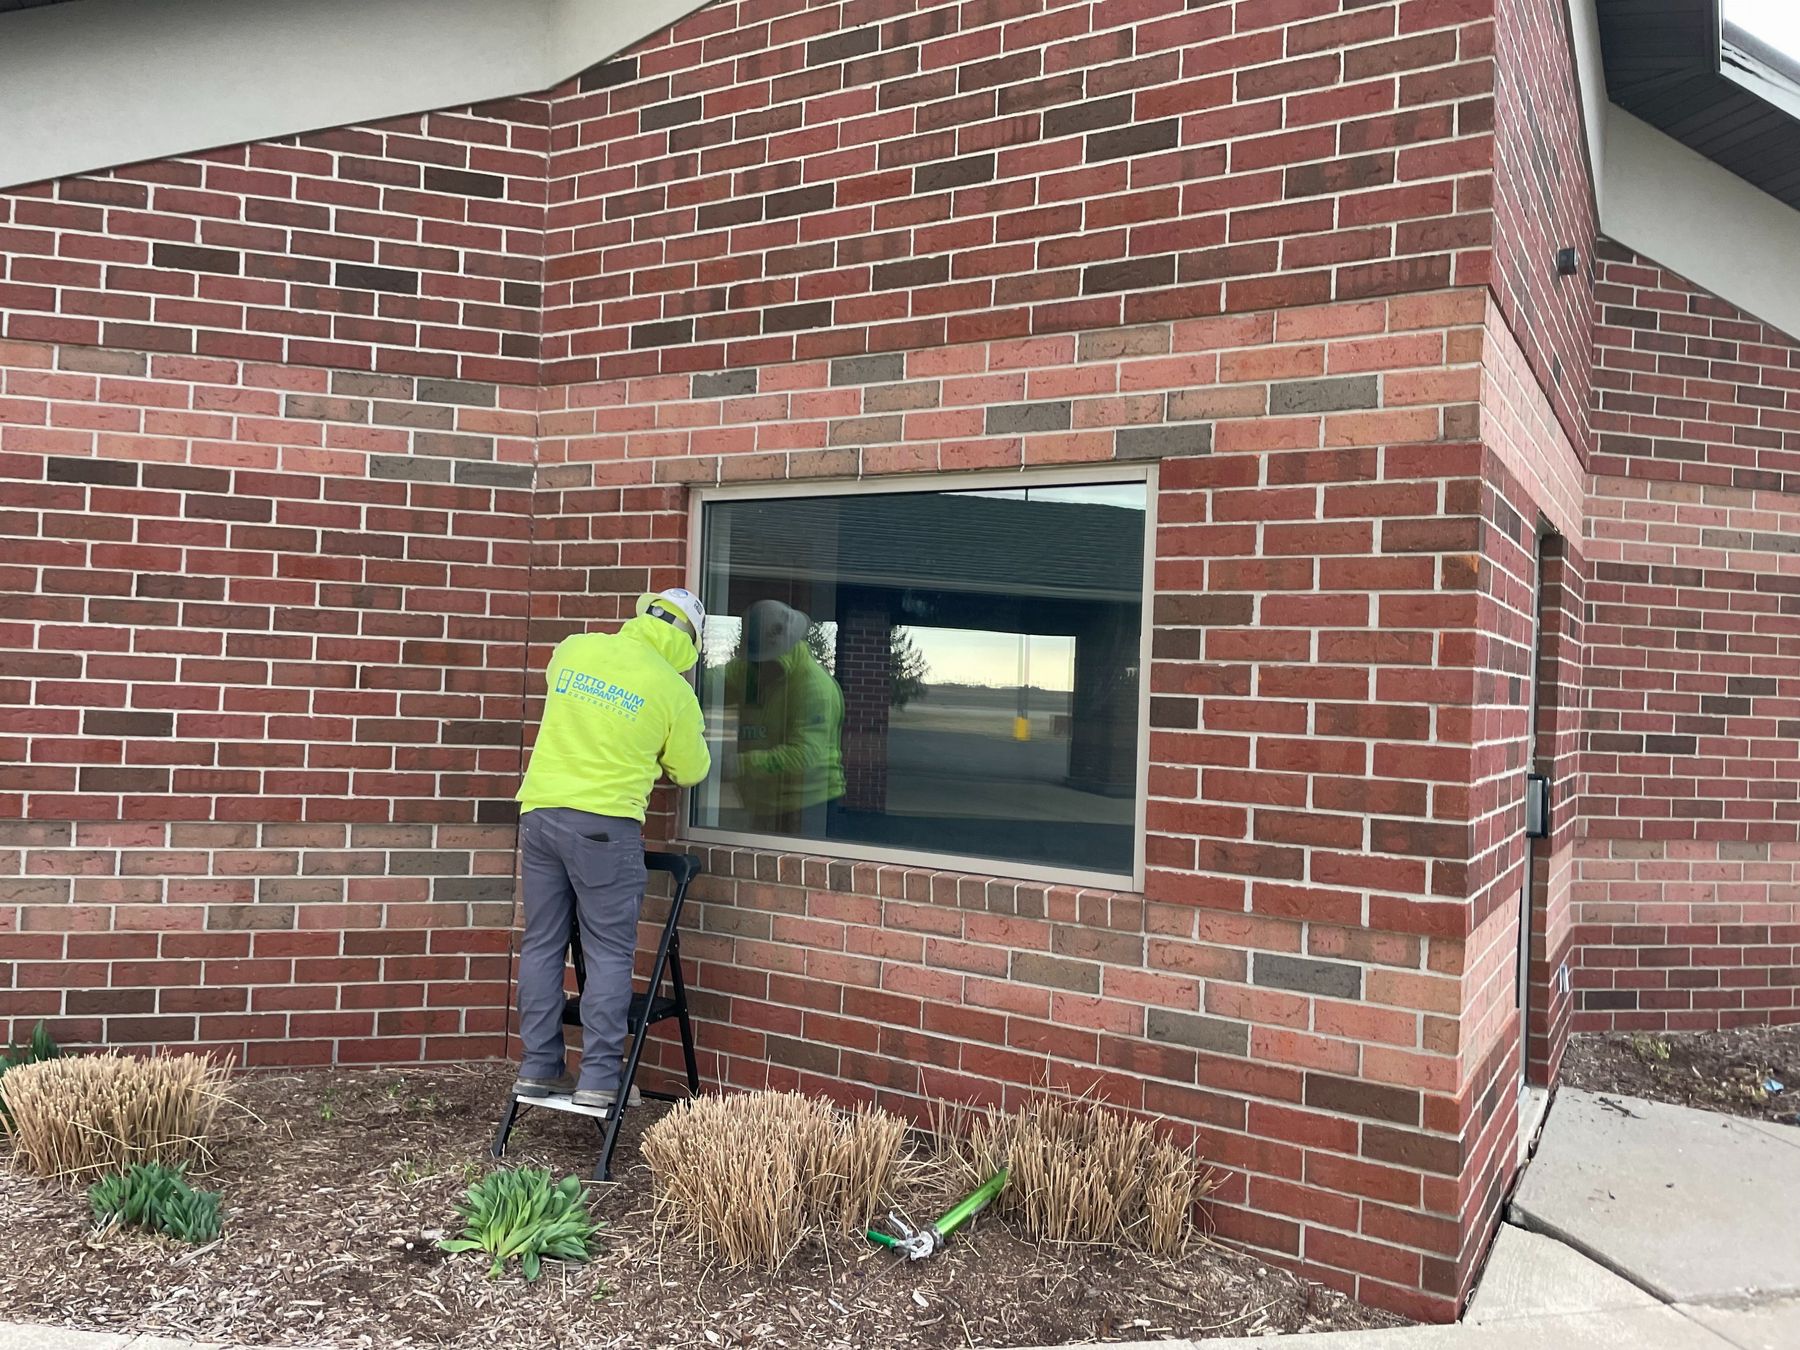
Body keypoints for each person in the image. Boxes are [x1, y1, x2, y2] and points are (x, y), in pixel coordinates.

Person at [511, 588, 710, 1109]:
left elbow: (565, 690)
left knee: (541, 944)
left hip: (540, 813)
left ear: (643, 616)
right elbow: (690, 771)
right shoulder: (673, 690)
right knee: (608, 954)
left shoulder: (575, 648)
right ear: (688, 645)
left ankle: (538, 1068)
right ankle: (599, 1078)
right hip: (604, 828)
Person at [721, 599, 845, 837]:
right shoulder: (751, 670)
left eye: (761, 661)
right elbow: (711, 683)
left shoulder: (814, 688)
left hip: (809, 804)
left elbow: (804, 755)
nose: (755, 667)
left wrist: (740, 764)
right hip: (765, 802)